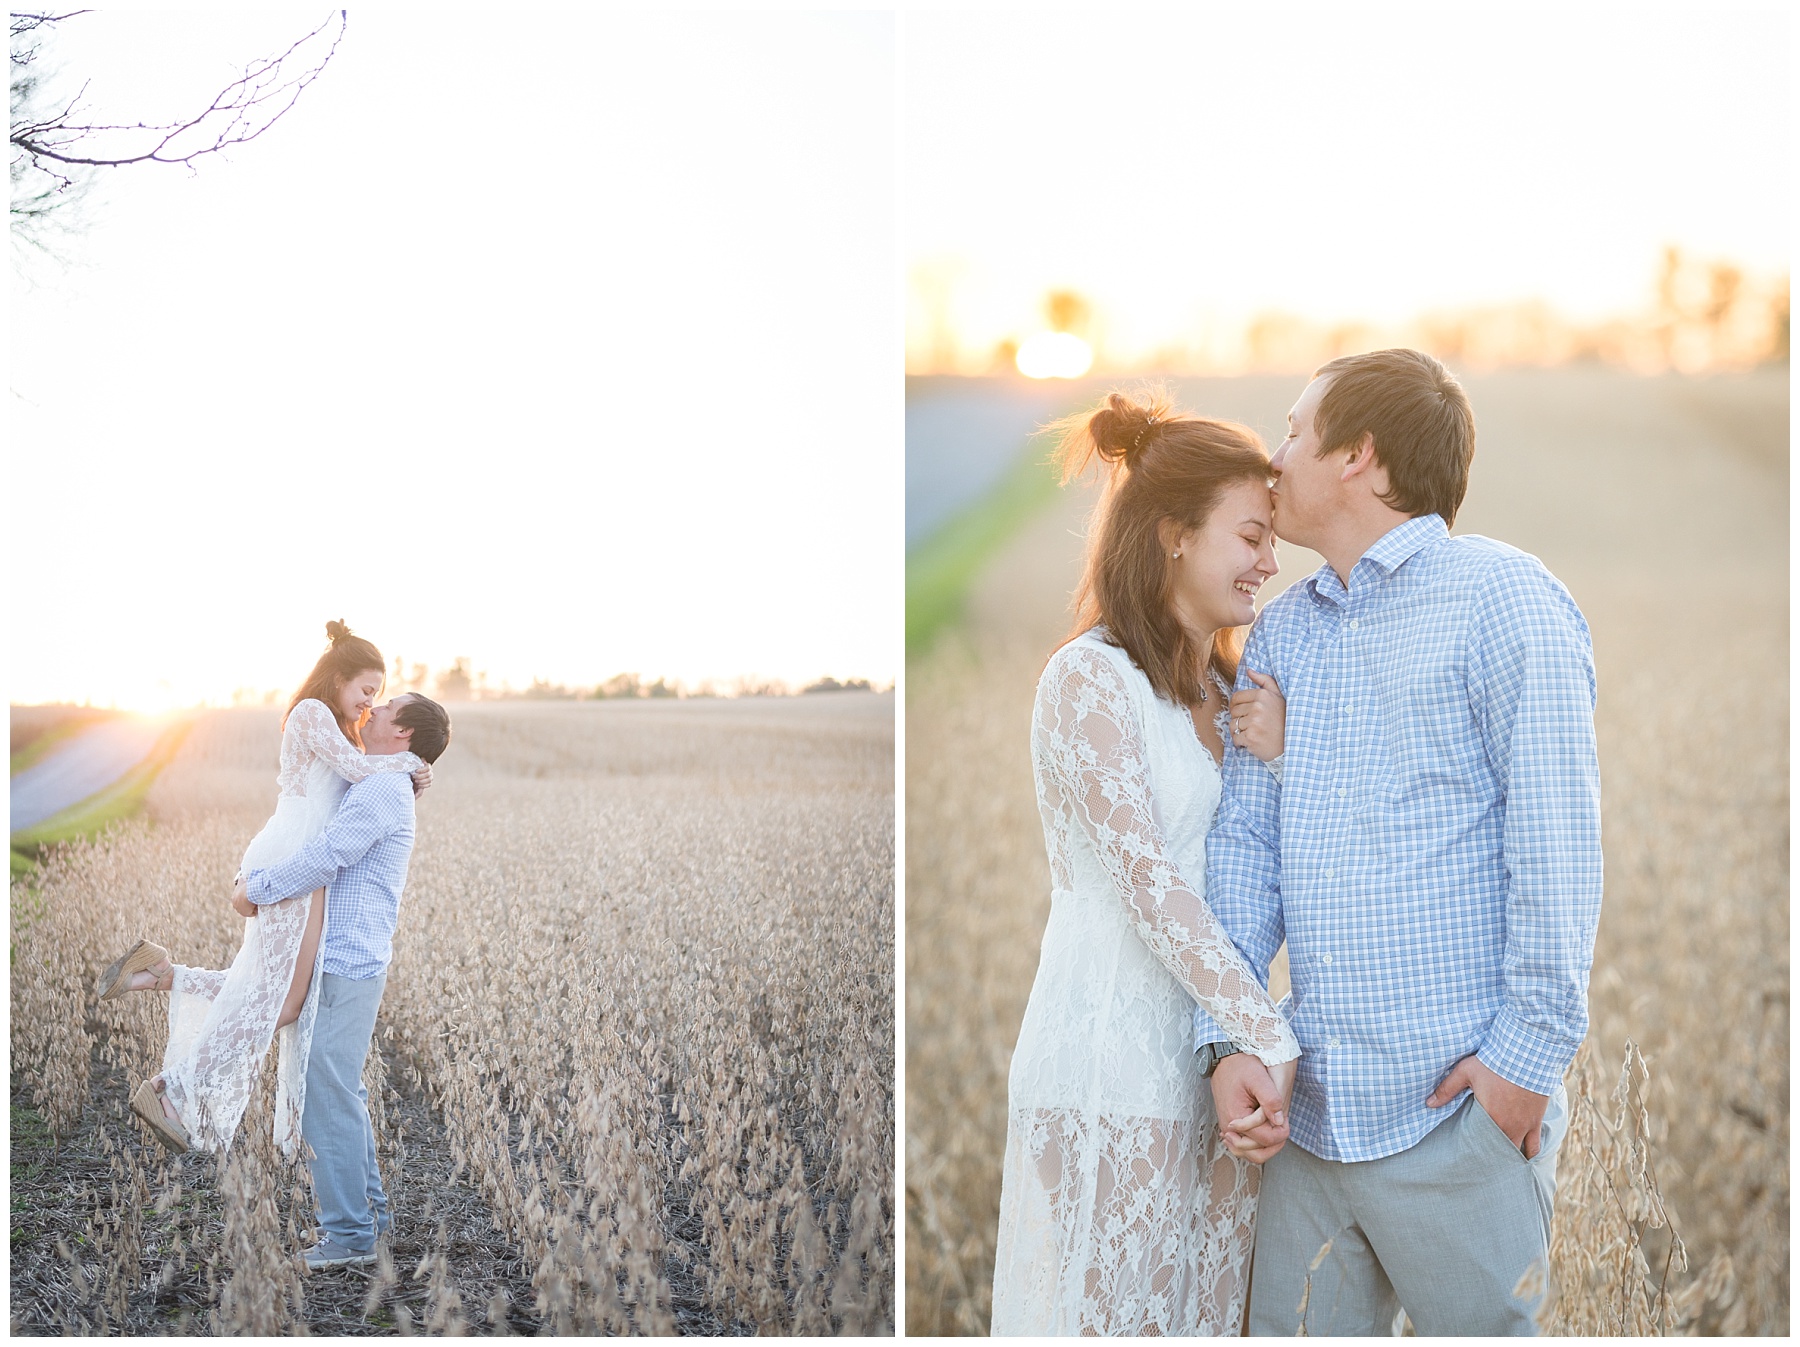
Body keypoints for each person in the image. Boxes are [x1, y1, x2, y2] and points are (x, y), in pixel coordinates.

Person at [1193, 349, 1601, 1335]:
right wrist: (1232, 1038)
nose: (1274, 456)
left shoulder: (1505, 601)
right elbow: (1244, 856)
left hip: (1456, 1119)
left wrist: (1521, 1072)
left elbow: (1558, 853)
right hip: (1308, 1134)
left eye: (1295, 430)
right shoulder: (1282, 634)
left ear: (1360, 457)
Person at [991, 393, 1300, 1336]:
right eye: (1251, 534)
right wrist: (1270, 1036)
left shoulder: (1231, 688)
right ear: (1172, 534)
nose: (1270, 561)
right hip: (1108, 1056)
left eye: (1272, 539)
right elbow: (1149, 884)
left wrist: (1283, 756)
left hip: (1214, 1069)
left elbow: (1269, 867)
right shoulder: (1088, 679)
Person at [97, 621, 433, 1155]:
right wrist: (414, 763)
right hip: (294, 855)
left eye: (378, 697)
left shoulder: (341, 728)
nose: (371, 704)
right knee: (281, 999)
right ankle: (170, 1088)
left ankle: (159, 975)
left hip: (302, 861)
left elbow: (362, 787)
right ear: (338, 677)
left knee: (264, 987)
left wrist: (407, 776)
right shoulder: (312, 713)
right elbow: (355, 770)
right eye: (367, 690)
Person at [232, 687, 451, 1268]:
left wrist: (255, 890)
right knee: (339, 1092)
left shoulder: (383, 786)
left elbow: (328, 854)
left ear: (402, 732)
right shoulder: (386, 779)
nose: (372, 710)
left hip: (345, 961)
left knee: (326, 1099)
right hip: (353, 959)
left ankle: (350, 1237)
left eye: (386, 707)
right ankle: (370, 1220)